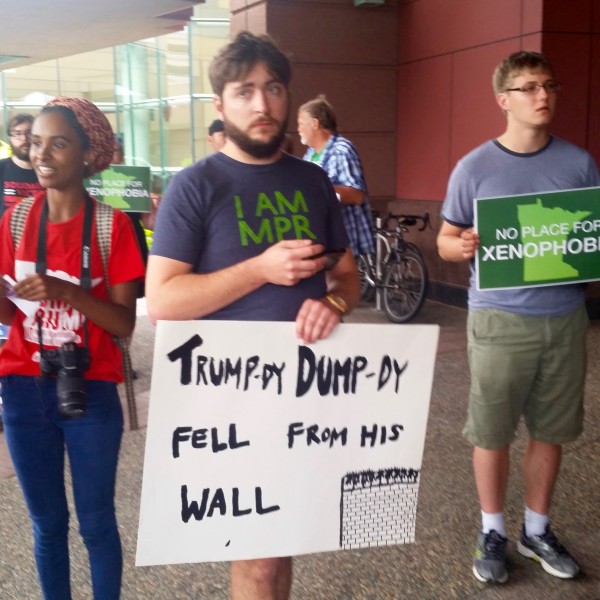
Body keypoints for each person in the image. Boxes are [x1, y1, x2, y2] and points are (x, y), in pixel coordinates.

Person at [146, 31, 360, 600]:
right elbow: (162, 303)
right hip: (230, 400)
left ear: (288, 97)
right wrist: (259, 270)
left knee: (283, 542)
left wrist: (334, 303)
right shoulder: (195, 187)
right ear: (220, 104)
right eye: (244, 92)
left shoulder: (313, 181)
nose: (261, 104)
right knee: (259, 562)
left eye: (273, 89)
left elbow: (346, 275)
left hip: (307, 392)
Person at [437, 51, 600, 585]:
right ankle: (493, 531)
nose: (543, 96)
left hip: (566, 316)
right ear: (504, 100)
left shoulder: (578, 163)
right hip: (500, 318)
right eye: (529, 87)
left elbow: (585, 234)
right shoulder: (474, 167)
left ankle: (537, 528)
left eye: (549, 85)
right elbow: (445, 239)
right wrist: (459, 245)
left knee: (551, 431)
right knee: (492, 432)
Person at [0, 96, 145, 599]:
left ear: (86, 154)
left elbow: (124, 324)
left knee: (97, 523)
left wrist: (67, 291)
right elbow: (11, 316)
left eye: (58, 144)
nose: (42, 154)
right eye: (36, 142)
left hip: (92, 388)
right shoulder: (16, 222)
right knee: (46, 525)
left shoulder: (112, 226)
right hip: (21, 387)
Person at [297, 95, 375, 257]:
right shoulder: (311, 154)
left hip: (342, 242)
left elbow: (357, 196)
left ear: (315, 124)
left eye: (301, 124)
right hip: (318, 237)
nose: (298, 129)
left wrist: (321, 189)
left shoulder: (342, 150)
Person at [0, 113, 45, 218]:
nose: (24, 138)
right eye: (17, 133)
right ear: (10, 138)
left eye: (29, 133)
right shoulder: (1, 168)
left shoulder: (48, 169)